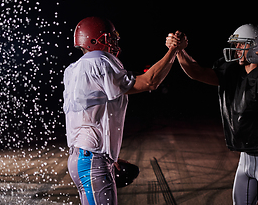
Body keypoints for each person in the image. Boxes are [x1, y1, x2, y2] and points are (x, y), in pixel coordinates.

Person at [166, 24, 258, 205]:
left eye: (241, 45)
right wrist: (179, 51)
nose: (236, 49)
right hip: (244, 159)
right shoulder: (232, 72)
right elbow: (197, 72)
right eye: (236, 45)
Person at [63, 17, 186, 205]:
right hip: (91, 159)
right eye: (108, 38)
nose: (113, 43)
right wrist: (173, 50)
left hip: (82, 157)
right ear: (94, 40)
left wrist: (109, 155)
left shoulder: (73, 69)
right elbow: (149, 82)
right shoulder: (99, 60)